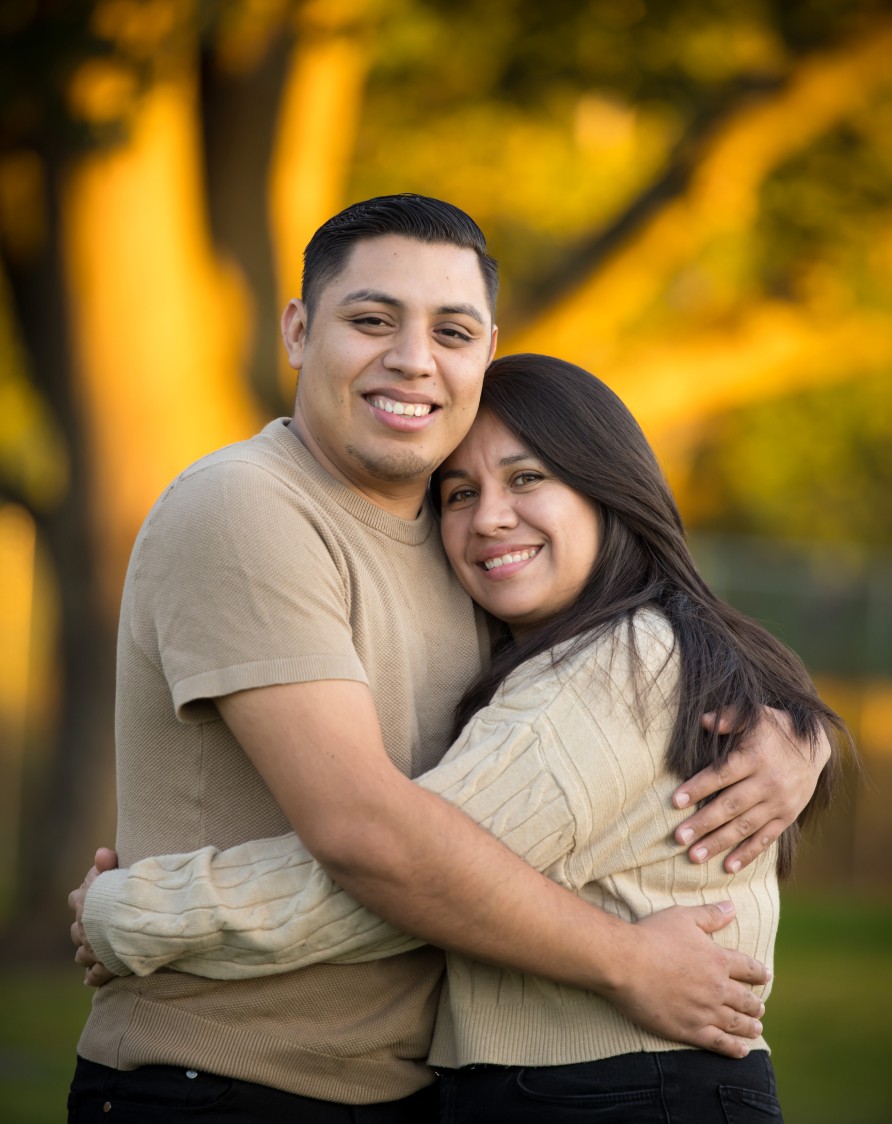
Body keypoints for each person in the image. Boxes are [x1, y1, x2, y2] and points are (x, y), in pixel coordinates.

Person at [67, 196, 832, 1123]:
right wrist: (626, 959)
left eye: (453, 330)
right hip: (224, 1083)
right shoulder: (246, 508)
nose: (413, 359)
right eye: (372, 319)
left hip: (403, 1090)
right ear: (300, 330)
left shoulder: (463, 556)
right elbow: (372, 838)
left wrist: (795, 731)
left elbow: (565, 737)